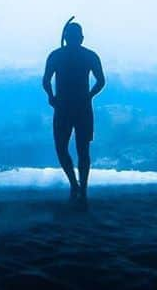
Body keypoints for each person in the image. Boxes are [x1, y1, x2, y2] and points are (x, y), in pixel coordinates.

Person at [42, 17, 105, 204]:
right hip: (74, 107)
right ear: (81, 38)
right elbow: (101, 82)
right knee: (71, 149)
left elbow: (46, 81)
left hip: (69, 107)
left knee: (75, 149)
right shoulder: (86, 56)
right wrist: (52, 96)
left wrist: (52, 96)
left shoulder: (58, 55)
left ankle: (79, 188)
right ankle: (77, 187)